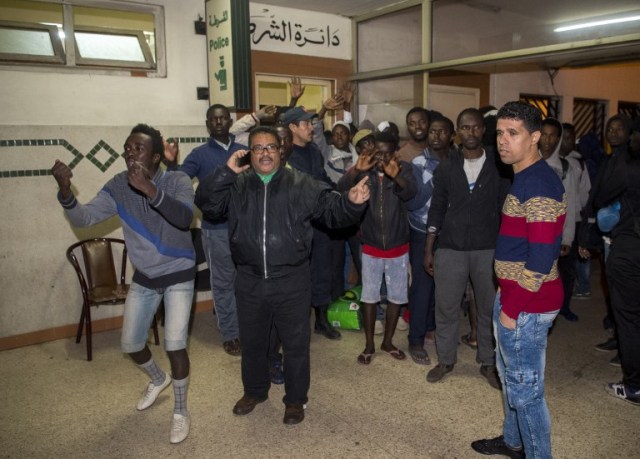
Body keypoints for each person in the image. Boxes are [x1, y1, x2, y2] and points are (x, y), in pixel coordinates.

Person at [194, 126, 370, 425]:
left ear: (280, 151)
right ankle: (254, 391)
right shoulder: (236, 185)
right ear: (249, 153)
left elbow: (333, 213)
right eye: (258, 148)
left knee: (295, 344)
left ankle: (295, 400)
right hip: (249, 279)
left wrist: (352, 203)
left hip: (292, 280)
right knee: (252, 343)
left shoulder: (302, 184)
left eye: (270, 147)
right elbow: (207, 204)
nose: (264, 153)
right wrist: (225, 172)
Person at [52, 124, 196, 444]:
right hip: (145, 277)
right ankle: (158, 380)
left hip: (178, 273)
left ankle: (181, 411)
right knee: (130, 344)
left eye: (139, 148)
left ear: (156, 156)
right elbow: (85, 218)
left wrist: (149, 189)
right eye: (128, 147)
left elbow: (185, 218)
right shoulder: (118, 185)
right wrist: (65, 192)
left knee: (174, 344)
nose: (131, 152)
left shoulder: (176, 180)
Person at [472, 101, 566, 458]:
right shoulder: (525, 177)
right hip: (514, 297)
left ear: (535, 138)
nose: (503, 141)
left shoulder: (538, 183)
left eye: (514, 134)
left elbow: (541, 259)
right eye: (499, 133)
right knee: (511, 380)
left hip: (527, 304)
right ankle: (513, 442)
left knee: (526, 392)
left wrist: (511, 309)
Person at [424, 108, 509, 389]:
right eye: (464, 128)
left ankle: (488, 362)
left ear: (483, 130)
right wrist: (429, 248)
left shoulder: (499, 166)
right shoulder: (447, 166)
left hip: (488, 249)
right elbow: (436, 209)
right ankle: (446, 360)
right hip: (450, 248)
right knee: (446, 308)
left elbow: (505, 208)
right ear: (457, 133)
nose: (470, 133)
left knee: (487, 308)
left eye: (475, 128)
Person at [164, 104, 245, 356]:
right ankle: (230, 333)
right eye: (214, 119)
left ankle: (249, 327)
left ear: (230, 121)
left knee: (246, 281)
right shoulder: (199, 154)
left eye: (223, 118)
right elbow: (179, 182)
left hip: (246, 228)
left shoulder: (244, 151)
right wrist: (171, 164)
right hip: (216, 229)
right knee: (222, 282)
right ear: (208, 124)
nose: (219, 122)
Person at [339, 131, 417, 365]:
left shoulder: (405, 170)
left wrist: (397, 177)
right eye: (377, 153)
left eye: (386, 153)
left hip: (398, 247)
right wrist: (357, 170)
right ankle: (370, 344)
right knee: (370, 297)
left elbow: (412, 194)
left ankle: (388, 342)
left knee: (396, 297)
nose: (381, 158)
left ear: (395, 152)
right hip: (371, 246)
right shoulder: (366, 172)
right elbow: (340, 189)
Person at [285, 106, 343, 339]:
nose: (311, 127)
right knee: (299, 274)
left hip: (320, 224)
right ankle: (297, 323)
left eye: (311, 123)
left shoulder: (314, 152)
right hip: (298, 225)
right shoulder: (287, 155)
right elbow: (304, 186)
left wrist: (338, 194)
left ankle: (321, 320)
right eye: (306, 124)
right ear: (292, 128)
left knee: (322, 270)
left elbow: (322, 178)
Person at [594, 117, 640, 406]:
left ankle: (634, 386)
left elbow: (601, 195)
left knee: (630, 319)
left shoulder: (629, 166)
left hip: (630, 247)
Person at [405, 114, 455, 365]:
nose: (436, 136)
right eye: (432, 131)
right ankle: (415, 338)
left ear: (451, 136)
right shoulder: (418, 162)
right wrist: (438, 177)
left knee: (443, 285)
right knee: (422, 286)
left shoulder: (459, 160)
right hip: (422, 230)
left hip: (450, 233)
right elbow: (413, 201)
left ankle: (432, 326)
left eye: (442, 132)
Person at [538, 117, 579, 322]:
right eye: (544, 134)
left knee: (549, 278)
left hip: (553, 235)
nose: (547, 140)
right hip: (528, 234)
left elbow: (570, 204)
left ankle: (548, 315)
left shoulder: (564, 168)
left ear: (558, 139)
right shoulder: (525, 159)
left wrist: (567, 238)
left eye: (552, 135)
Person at [561, 123, 592, 301]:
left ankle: (565, 304)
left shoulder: (579, 162)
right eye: (564, 137)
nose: (567, 141)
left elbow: (585, 192)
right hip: (555, 220)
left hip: (575, 219)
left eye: (570, 138)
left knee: (570, 265)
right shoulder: (550, 161)